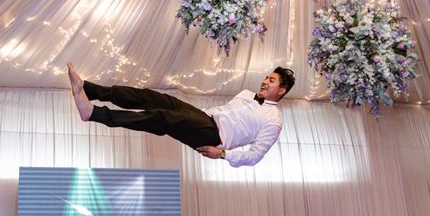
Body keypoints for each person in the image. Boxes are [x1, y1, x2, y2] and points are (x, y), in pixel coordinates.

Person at [67, 61, 295, 167]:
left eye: (271, 80)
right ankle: (89, 89)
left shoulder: (273, 121)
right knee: (152, 98)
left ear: (281, 90)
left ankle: (94, 113)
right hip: (203, 117)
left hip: (213, 136)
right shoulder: (247, 93)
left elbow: (255, 156)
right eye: (267, 77)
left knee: (163, 119)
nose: (265, 81)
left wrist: (223, 154)